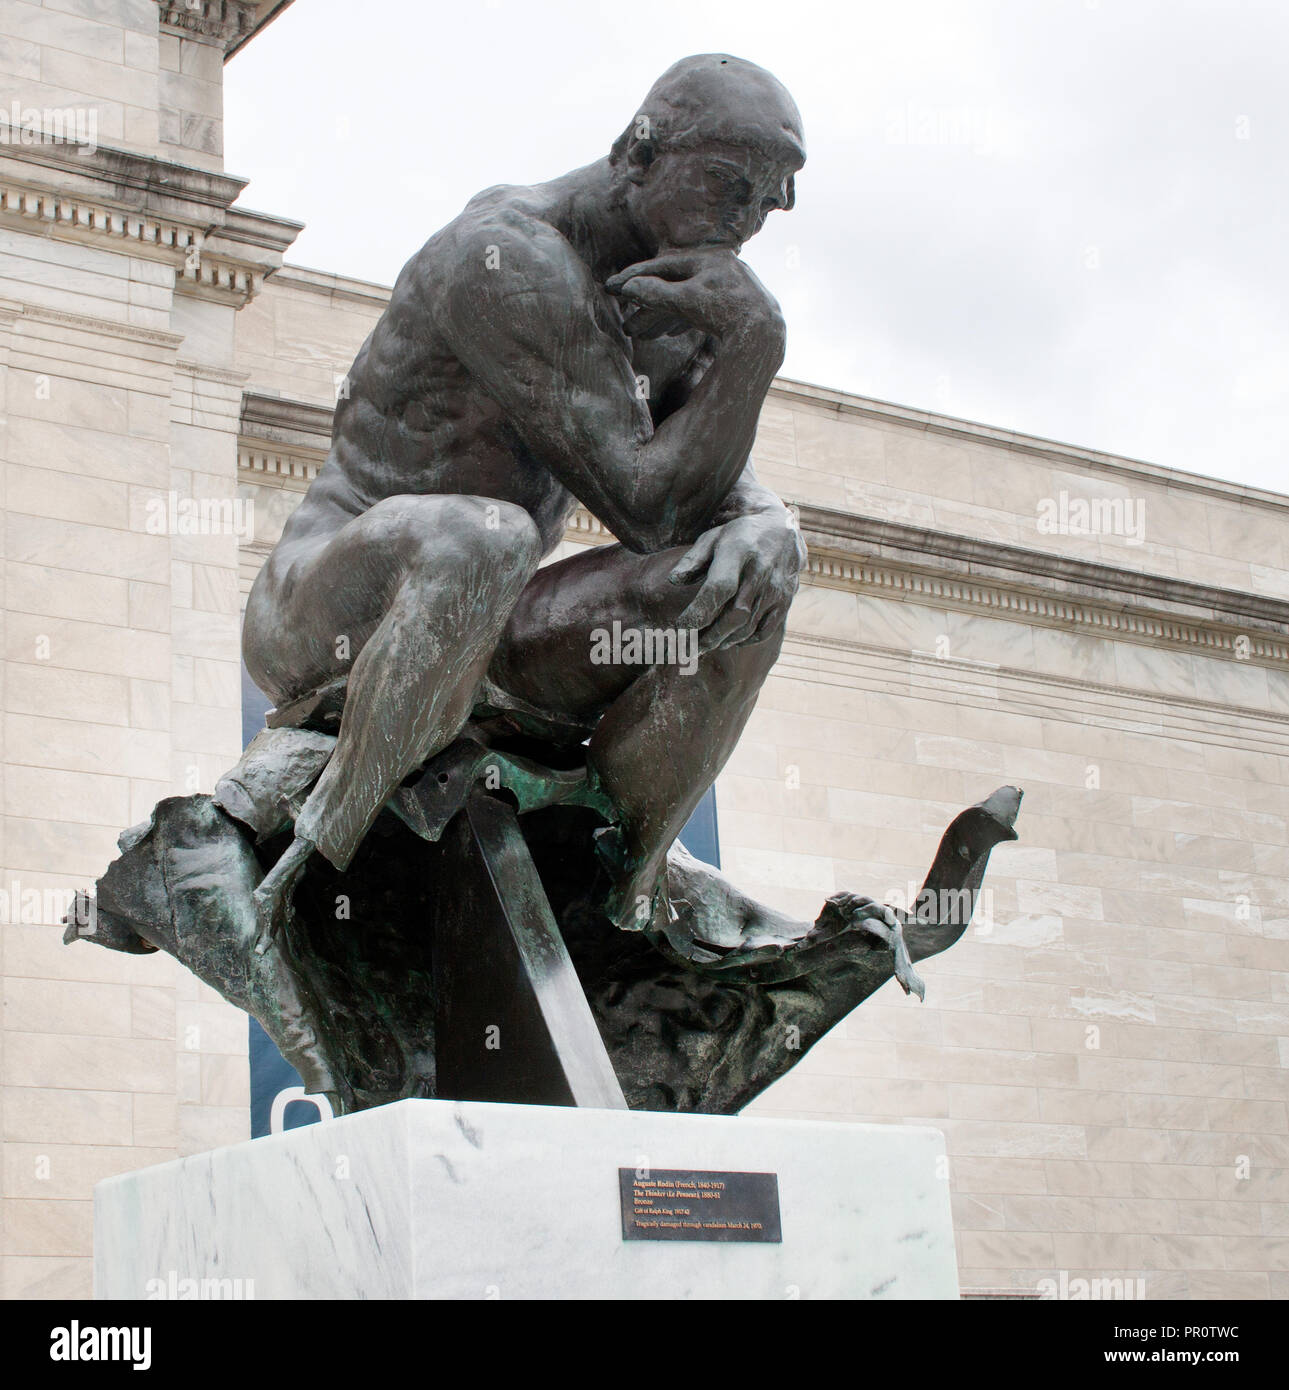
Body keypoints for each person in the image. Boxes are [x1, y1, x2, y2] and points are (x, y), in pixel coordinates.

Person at [243, 53, 809, 945]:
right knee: (488, 535)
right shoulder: (506, 255)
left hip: (489, 625)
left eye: (769, 199)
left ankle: (626, 889)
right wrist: (756, 344)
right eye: (725, 182)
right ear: (638, 151)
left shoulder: (688, 295)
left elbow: (710, 496)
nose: (744, 219)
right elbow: (647, 507)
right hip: (332, 613)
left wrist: (771, 523)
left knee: (746, 579)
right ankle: (322, 853)